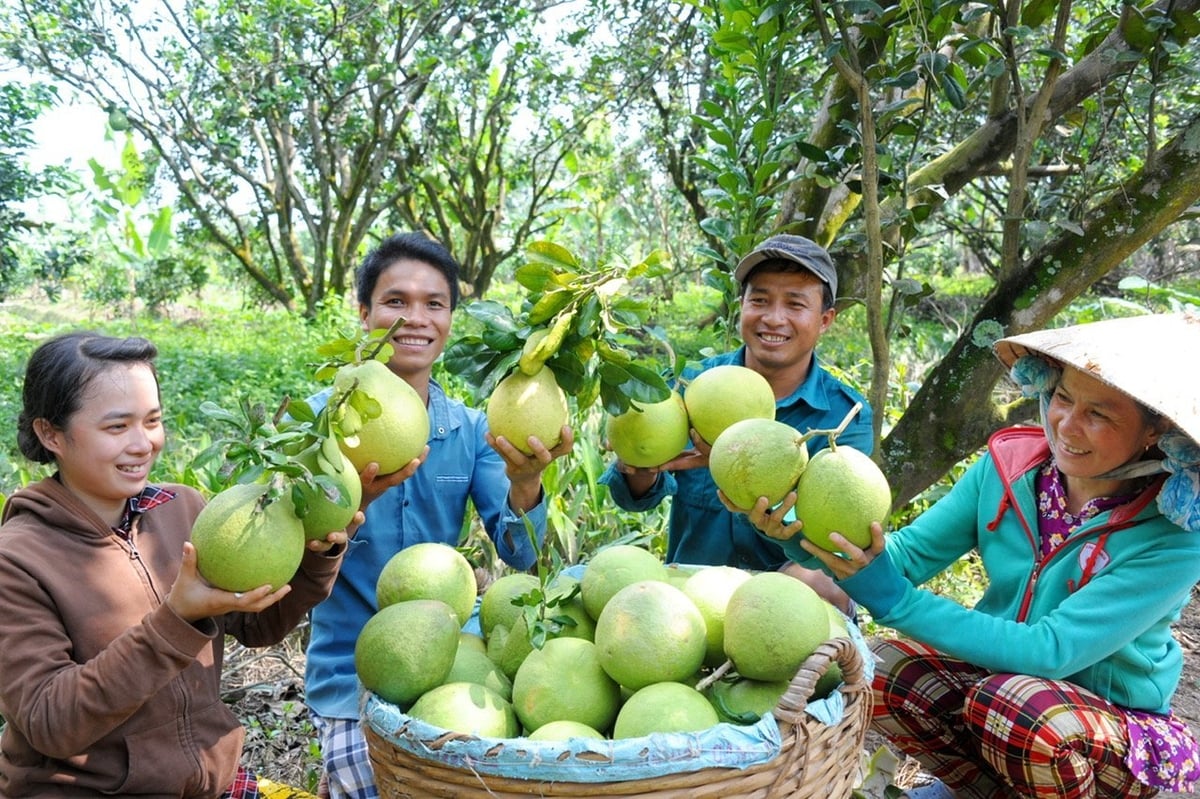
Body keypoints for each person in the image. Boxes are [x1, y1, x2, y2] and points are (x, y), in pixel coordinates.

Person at [757, 313, 1200, 798]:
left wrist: (898, 602)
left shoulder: (1174, 535)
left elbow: (1048, 651)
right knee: (875, 666)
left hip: (1112, 731)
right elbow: (899, 557)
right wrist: (797, 537)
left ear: (1155, 432)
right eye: (1063, 397)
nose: (1067, 424)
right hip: (1003, 701)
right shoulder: (1008, 469)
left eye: (1100, 415)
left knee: (1016, 706)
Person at [0, 331, 347, 798]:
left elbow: (254, 625)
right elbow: (50, 722)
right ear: (51, 434)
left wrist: (316, 557)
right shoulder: (17, 558)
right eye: (117, 427)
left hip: (211, 786)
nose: (143, 444)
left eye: (153, 420)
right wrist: (175, 619)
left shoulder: (183, 509)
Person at [303, 232, 574, 799]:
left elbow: (519, 553)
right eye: (396, 301)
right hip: (349, 675)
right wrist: (357, 503)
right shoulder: (316, 425)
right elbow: (287, 560)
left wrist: (526, 482)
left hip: (449, 667)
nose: (415, 319)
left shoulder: (473, 429)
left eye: (434, 304)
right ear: (364, 313)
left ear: (450, 319)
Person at [599, 234, 873, 586]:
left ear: (824, 320)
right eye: (760, 300)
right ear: (740, 306)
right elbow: (634, 498)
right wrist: (638, 465)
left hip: (787, 597)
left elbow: (834, 544)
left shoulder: (843, 416)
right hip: (693, 595)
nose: (774, 318)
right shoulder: (690, 387)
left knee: (823, 587)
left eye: (795, 304)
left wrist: (743, 475)